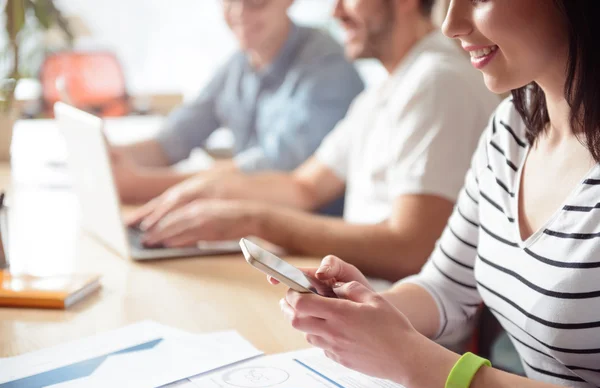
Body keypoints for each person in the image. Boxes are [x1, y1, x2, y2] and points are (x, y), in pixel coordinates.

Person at [270, 0, 600, 388]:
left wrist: (415, 363)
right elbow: (446, 286)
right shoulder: (513, 125)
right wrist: (363, 311)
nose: (450, 25)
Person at [128, 0, 499, 282]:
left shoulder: (437, 81)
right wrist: (208, 193)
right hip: (360, 301)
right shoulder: (389, 88)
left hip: (402, 324)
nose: (335, 12)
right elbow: (303, 185)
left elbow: (412, 248)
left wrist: (255, 220)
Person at [111, 0, 364, 204]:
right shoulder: (238, 65)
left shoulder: (328, 66)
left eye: (256, 2)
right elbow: (174, 139)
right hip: (250, 228)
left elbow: (277, 169)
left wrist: (140, 185)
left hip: (313, 243)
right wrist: (113, 158)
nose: (239, 12)